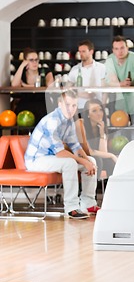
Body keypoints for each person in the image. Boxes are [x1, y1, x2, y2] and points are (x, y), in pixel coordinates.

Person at [24, 89, 98, 219]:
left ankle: (88, 203)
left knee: (92, 161)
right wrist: (84, 162)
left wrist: (87, 160)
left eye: (74, 105)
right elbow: (60, 153)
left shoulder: (69, 121)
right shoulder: (53, 121)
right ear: (60, 104)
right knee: (69, 163)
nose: (71, 109)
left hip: (51, 158)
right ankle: (71, 208)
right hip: (36, 160)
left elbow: (75, 146)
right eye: (67, 105)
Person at [104, 36, 134, 125]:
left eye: (122, 48)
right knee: (120, 132)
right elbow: (110, 81)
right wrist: (121, 84)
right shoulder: (110, 59)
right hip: (121, 103)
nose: (120, 51)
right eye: (116, 49)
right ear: (113, 50)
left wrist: (125, 83)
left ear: (127, 48)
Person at [76, 98, 118, 178]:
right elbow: (88, 151)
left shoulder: (101, 126)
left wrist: (102, 134)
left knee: (108, 161)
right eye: (94, 111)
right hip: (80, 156)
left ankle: (109, 187)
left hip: (93, 157)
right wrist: (112, 155)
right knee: (98, 160)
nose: (99, 113)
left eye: (100, 110)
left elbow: (103, 152)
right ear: (88, 114)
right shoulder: (81, 124)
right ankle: (94, 188)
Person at [11, 47, 54, 123]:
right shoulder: (22, 73)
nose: (35, 62)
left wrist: (25, 86)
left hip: (41, 103)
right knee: (19, 113)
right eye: (31, 60)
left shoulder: (45, 71)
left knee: (43, 112)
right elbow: (14, 85)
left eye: (36, 59)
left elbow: (49, 85)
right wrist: (22, 66)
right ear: (25, 61)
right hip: (26, 103)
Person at [67, 39, 106, 111]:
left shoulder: (101, 67)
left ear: (91, 51)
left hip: (97, 107)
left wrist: (103, 106)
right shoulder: (75, 69)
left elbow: (105, 90)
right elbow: (68, 89)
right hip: (80, 107)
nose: (81, 54)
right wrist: (80, 94)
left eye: (84, 51)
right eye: (80, 51)